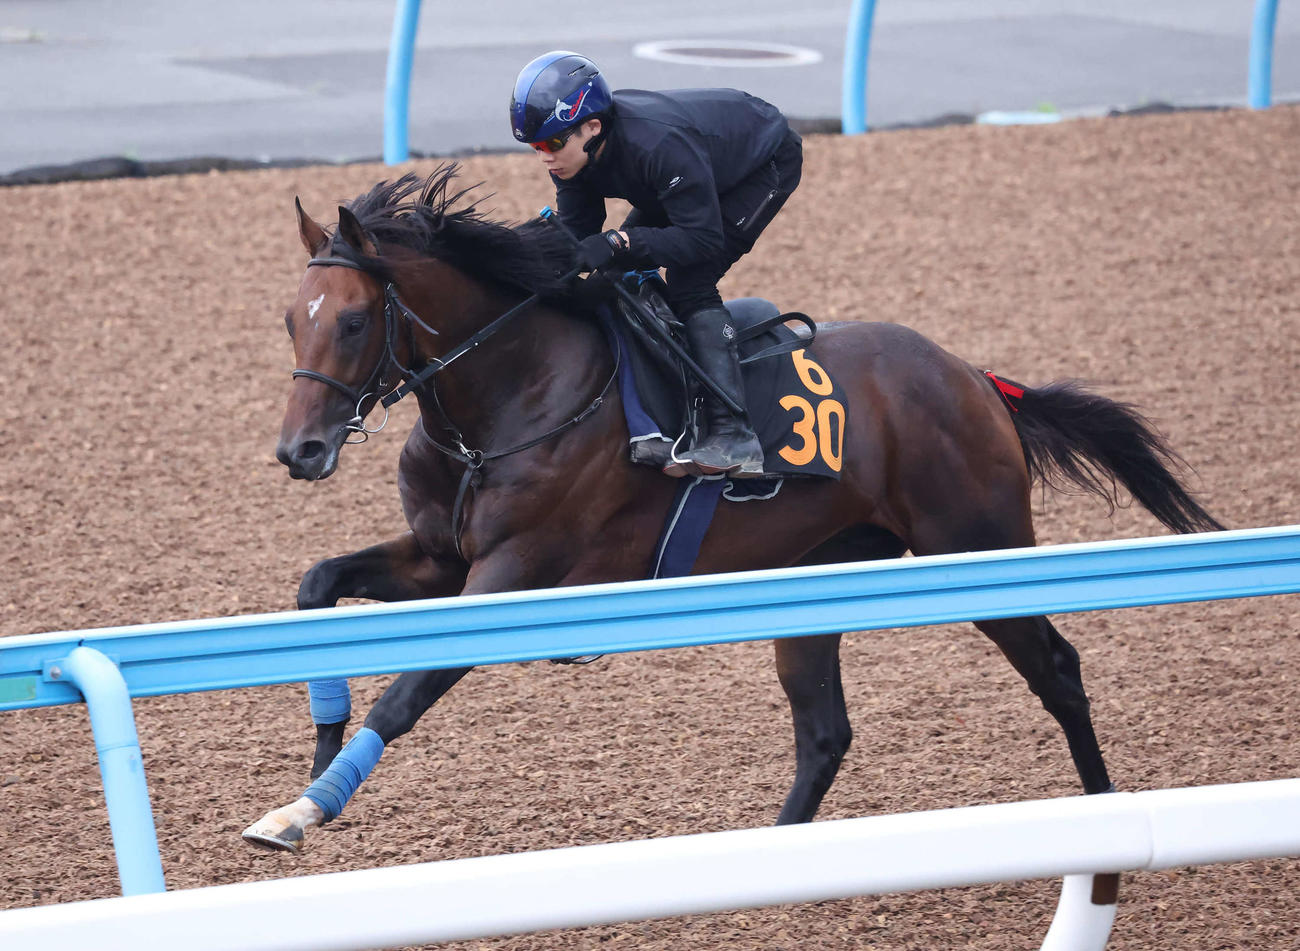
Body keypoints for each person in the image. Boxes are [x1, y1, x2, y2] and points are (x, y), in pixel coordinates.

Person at [510, 50, 803, 477]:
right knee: (618, 272)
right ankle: (658, 414)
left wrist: (619, 240)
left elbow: (703, 239)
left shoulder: (657, 146)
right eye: (535, 147)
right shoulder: (574, 154)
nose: (545, 158)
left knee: (689, 281)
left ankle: (735, 434)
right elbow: (577, 233)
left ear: (592, 128)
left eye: (553, 144)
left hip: (761, 165)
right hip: (692, 171)